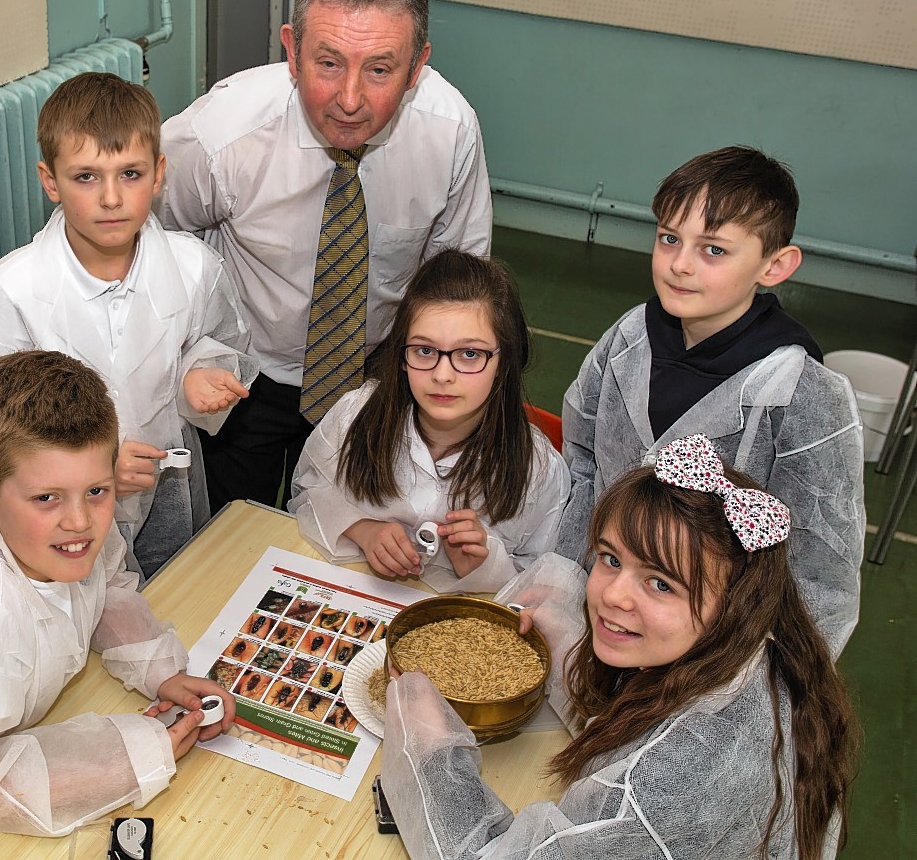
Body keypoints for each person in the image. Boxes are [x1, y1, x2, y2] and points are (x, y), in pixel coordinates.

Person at [382, 434, 858, 860]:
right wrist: (569, 653)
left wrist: (431, 750)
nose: (611, 594)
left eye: (661, 584)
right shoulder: (745, 654)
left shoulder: (673, 786)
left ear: (735, 606)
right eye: (611, 559)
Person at [156, 0, 492, 511]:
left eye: (381, 69)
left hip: (375, 382)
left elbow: (457, 283)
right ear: (292, 50)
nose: (350, 99)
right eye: (328, 63)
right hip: (241, 377)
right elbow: (145, 246)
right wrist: (190, 357)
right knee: (229, 538)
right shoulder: (218, 136)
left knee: (350, 544)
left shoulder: (450, 132)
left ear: (417, 68)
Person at [0, 351, 237, 837]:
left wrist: (159, 670)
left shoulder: (51, 536)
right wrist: (140, 755)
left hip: (15, 739)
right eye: (47, 498)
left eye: (98, 491)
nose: (81, 522)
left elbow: (103, 590)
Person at [553, 146, 864, 656]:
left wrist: (747, 690)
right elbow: (582, 461)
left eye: (713, 250)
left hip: (708, 654)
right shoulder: (630, 337)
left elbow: (819, 576)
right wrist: (567, 585)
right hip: (604, 616)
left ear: (775, 265)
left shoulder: (799, 393)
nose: (679, 265)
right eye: (669, 239)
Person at [0, 72, 256, 577]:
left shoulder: (195, 268)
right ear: (50, 180)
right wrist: (92, 473)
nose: (112, 198)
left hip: (165, 486)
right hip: (58, 515)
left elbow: (216, 340)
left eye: (131, 174)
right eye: (87, 177)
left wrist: (197, 375)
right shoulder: (9, 296)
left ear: (159, 173)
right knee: (79, 629)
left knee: (171, 596)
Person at [289, 250, 569, 592]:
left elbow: (543, 582)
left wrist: (483, 567)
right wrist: (361, 529)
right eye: (424, 350)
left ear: (505, 362)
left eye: (469, 354)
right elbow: (308, 488)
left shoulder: (538, 470)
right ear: (402, 356)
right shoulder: (355, 414)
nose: (442, 374)